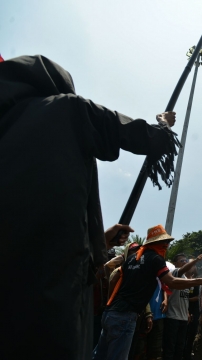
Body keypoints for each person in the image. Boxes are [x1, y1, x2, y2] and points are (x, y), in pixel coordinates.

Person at [0, 55, 180, 359]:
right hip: (56, 287)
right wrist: (162, 126)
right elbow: (137, 135)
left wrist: (102, 240)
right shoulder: (67, 108)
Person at [93, 225, 202, 360]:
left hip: (110, 314)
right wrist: (201, 281)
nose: (166, 246)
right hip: (125, 316)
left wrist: (109, 302)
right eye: (164, 243)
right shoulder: (155, 259)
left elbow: (115, 280)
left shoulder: (131, 259)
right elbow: (172, 282)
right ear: (155, 243)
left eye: (167, 243)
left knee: (100, 356)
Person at [163, 253, 202, 360]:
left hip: (183, 318)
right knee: (170, 348)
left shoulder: (186, 280)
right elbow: (181, 270)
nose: (185, 262)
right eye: (182, 261)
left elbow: (184, 299)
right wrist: (195, 260)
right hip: (172, 317)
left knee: (180, 347)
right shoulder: (174, 274)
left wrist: (186, 312)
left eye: (186, 261)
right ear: (175, 263)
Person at [183, 259, 202, 360]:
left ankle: (187, 355)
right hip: (182, 310)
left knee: (191, 334)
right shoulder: (181, 279)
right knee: (182, 335)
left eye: (194, 264)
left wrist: (187, 298)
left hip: (194, 311)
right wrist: (188, 299)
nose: (191, 266)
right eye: (190, 264)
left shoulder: (197, 281)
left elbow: (199, 297)